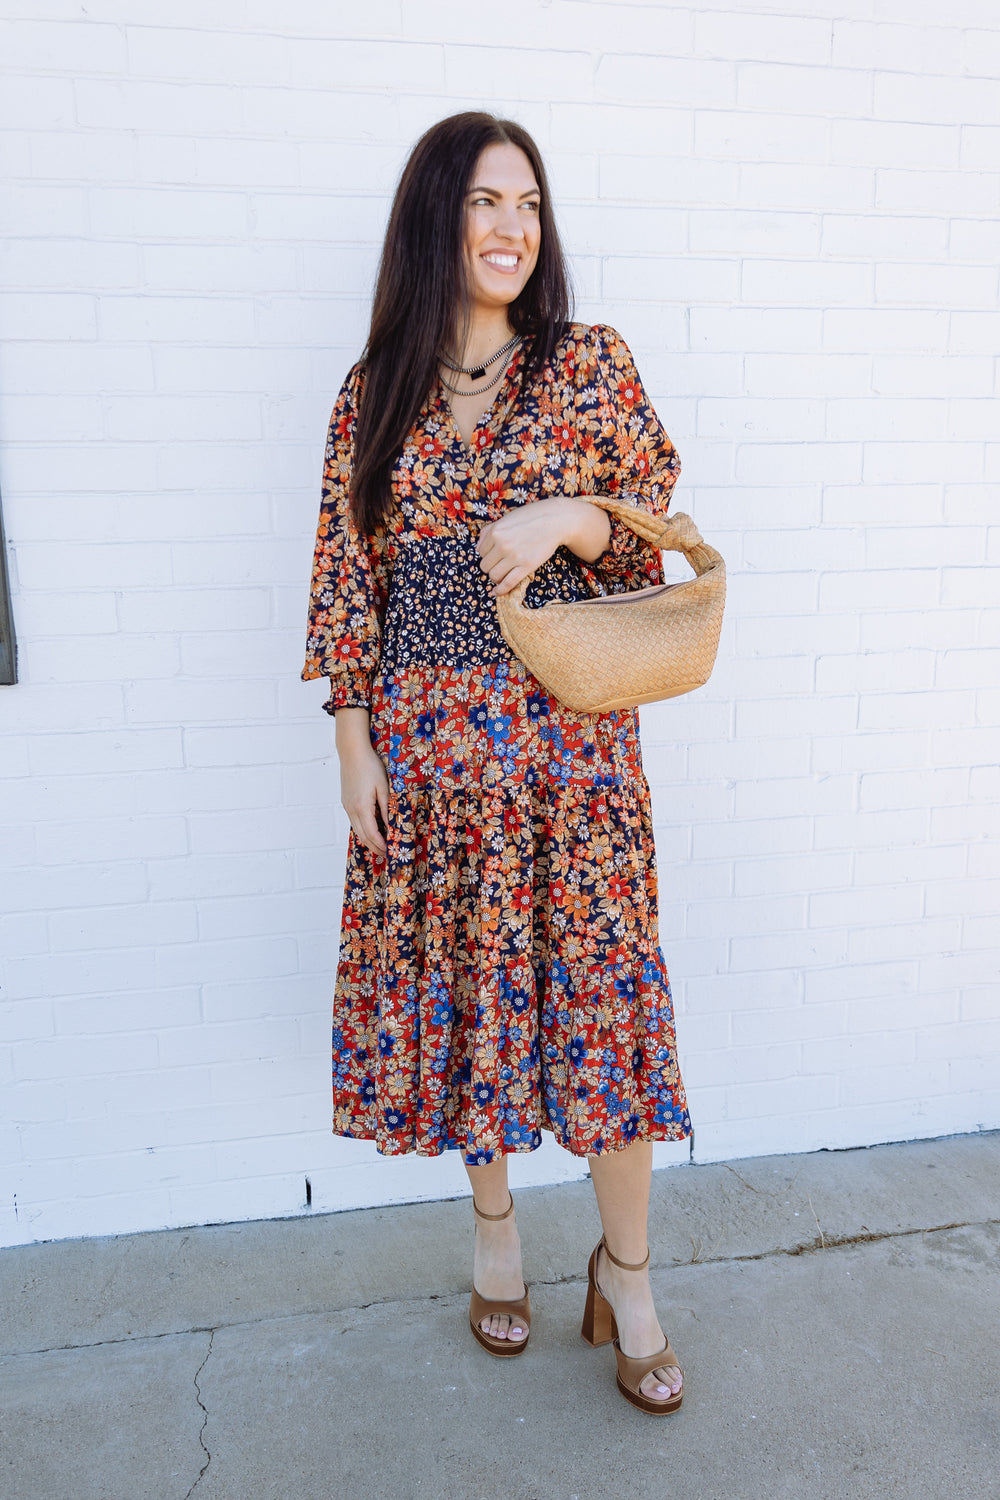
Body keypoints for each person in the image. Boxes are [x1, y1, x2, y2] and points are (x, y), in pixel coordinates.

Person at [302, 112, 691, 1415]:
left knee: (606, 1010)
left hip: (574, 756)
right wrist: (352, 740)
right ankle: (496, 1236)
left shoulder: (587, 365)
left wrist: (575, 510)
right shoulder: (374, 393)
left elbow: (658, 530)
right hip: (431, 749)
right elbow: (349, 582)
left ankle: (628, 1275)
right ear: (436, 221)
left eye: (528, 201)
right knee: (473, 1010)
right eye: (483, 201)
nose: (512, 225)